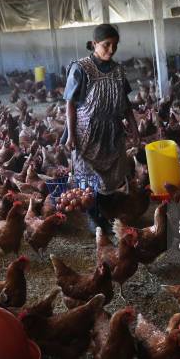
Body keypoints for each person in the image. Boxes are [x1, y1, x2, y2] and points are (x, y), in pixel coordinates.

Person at [62, 24, 139, 232]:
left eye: (115, 45)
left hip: (112, 132)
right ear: (95, 44)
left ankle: (107, 213)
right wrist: (70, 134)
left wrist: (135, 130)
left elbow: (126, 105)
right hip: (87, 133)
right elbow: (70, 103)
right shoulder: (81, 68)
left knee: (111, 176)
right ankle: (94, 218)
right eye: (106, 45)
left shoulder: (119, 71)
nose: (111, 50)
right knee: (88, 176)